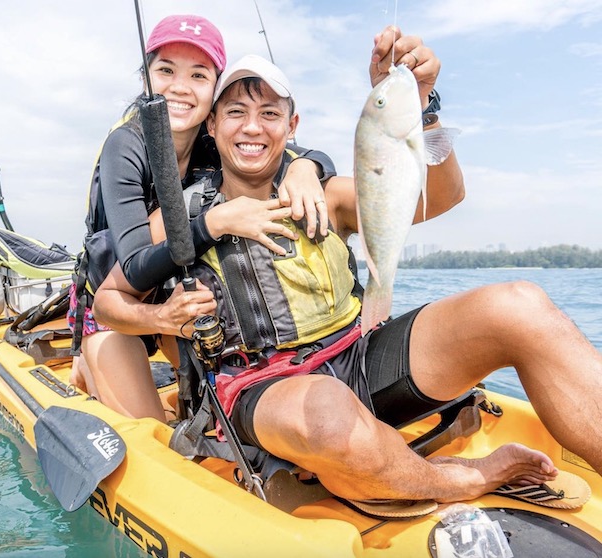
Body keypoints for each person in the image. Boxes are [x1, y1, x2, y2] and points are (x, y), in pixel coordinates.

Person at [94, 26, 602, 505]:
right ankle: (464, 479)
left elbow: (444, 196)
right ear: (213, 124)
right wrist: (162, 319)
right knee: (328, 414)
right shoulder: (180, 218)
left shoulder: (326, 194)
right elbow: (109, 303)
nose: (253, 127)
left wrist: (422, 105)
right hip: (261, 390)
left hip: (357, 360)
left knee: (519, 306)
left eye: (270, 113)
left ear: (292, 126)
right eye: (236, 112)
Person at [68, 14, 337, 420]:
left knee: (206, 405)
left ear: (215, 90)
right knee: (149, 429)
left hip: (181, 297)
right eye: (165, 71)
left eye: (198, 75)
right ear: (146, 79)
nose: (179, 86)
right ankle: (87, 361)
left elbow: (297, 151)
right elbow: (137, 269)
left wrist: (307, 167)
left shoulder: (216, 141)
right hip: (118, 307)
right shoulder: (124, 146)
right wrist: (217, 221)